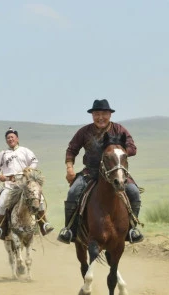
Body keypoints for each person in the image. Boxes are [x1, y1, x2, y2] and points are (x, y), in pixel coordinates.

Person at [56, 99, 144, 244]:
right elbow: (72, 150)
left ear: (110, 114)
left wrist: (118, 152)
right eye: (97, 114)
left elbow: (132, 148)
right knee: (73, 192)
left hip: (115, 172)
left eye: (104, 113)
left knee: (133, 191)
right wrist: (69, 168)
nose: (100, 117)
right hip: (90, 172)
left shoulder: (119, 130)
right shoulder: (84, 131)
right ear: (92, 115)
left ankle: (132, 229)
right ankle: (70, 229)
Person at [0, 127, 53, 240]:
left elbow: (34, 161)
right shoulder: (3, 153)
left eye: (12, 137)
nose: (10, 139)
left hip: (24, 184)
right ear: (6, 140)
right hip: (9, 185)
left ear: (17, 139)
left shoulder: (25, 151)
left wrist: (29, 169)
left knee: (40, 198)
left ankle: (44, 224)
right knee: (1, 202)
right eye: (8, 138)